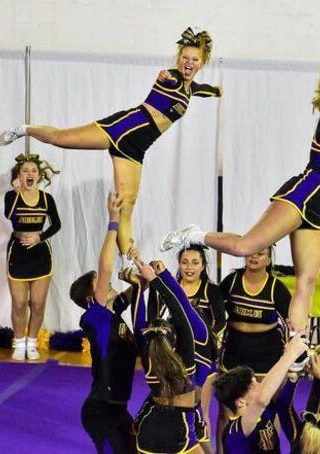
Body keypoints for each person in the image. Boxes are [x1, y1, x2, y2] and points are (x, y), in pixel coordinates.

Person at [160, 52, 320, 357]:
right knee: (244, 247)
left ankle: (296, 347)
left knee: (307, 280)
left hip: (317, 209)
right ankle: (195, 235)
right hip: (298, 198)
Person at [0, 27, 221, 256]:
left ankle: (127, 261)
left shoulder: (191, 88)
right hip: (121, 128)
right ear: (178, 58)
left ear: (202, 64)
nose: (188, 62)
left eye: (195, 59)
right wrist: (164, 76)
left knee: (126, 207)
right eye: (185, 57)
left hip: (136, 147)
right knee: (60, 138)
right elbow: (168, 76)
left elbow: (204, 89)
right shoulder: (172, 77)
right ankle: (23, 129)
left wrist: (217, 91)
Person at [70, 193, 140, 453]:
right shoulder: (95, 317)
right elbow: (106, 268)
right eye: (98, 282)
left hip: (120, 410)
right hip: (101, 412)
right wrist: (113, 221)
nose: (107, 281)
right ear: (91, 296)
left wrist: (136, 260)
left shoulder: (113, 314)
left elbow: (139, 287)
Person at [148, 245, 225, 453]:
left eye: (195, 262)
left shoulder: (210, 292)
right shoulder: (167, 290)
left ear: (203, 266)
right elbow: (153, 320)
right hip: (173, 360)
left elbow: (220, 324)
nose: (189, 267)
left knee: (199, 414)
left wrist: (208, 345)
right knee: (173, 411)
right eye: (184, 262)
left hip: (200, 360)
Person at [215, 247, 291, 452]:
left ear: (268, 259)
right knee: (226, 412)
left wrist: (292, 352)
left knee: (267, 410)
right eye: (251, 252)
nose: (254, 256)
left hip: (267, 357)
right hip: (234, 354)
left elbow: (293, 322)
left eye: (260, 253)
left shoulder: (277, 288)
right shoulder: (231, 282)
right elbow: (214, 309)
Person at [131, 257, 209, 454]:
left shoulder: (148, 356)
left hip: (148, 431)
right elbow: (181, 309)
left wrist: (141, 288)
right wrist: (156, 280)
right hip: (179, 431)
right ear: (176, 339)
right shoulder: (185, 362)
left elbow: (139, 324)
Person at [5, 153, 61, 360]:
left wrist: (40, 237)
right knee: (19, 302)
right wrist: (17, 192)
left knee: (37, 303)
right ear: (18, 175)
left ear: (39, 175)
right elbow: (8, 215)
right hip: (18, 252)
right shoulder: (12, 196)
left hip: (40, 254)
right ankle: (18, 342)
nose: (29, 173)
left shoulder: (47, 198)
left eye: (33, 171)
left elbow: (57, 224)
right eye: (25, 170)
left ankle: (32, 342)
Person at [213, 334, 309, 453]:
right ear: (241, 402)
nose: (260, 385)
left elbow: (282, 405)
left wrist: (292, 379)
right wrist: (290, 354)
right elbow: (261, 400)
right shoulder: (234, 433)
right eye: (253, 386)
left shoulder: (264, 412)